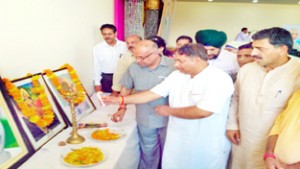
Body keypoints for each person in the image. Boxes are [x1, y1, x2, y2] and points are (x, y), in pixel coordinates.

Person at [104, 43, 234, 169]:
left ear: (197, 60)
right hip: (177, 137)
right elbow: (152, 93)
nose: (176, 65)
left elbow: (204, 111)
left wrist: (169, 111)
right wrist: (120, 100)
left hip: (203, 140)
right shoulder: (178, 75)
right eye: (175, 60)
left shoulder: (219, 79)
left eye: (180, 61)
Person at [226, 27, 300, 169]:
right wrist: (232, 124)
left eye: (260, 49)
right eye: (254, 47)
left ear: (283, 49)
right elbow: (236, 97)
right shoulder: (247, 69)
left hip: (275, 148)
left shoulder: (297, 72)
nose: (253, 53)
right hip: (243, 140)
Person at [111, 40, 175, 169]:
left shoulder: (174, 66)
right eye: (135, 56)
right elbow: (126, 88)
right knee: (148, 150)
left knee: (170, 151)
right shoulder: (134, 67)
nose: (139, 61)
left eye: (143, 57)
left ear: (157, 52)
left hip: (170, 119)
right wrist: (121, 108)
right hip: (145, 117)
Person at [264, 90, 300, 169]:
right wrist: (269, 154)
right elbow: (278, 125)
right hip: (275, 164)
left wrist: (290, 167)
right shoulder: (297, 95)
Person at [93, 24, 127, 93]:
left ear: (115, 33)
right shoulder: (97, 48)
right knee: (108, 100)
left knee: (123, 99)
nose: (107, 36)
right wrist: (97, 83)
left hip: (123, 77)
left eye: (109, 34)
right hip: (107, 79)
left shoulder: (124, 46)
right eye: (104, 34)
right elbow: (97, 66)